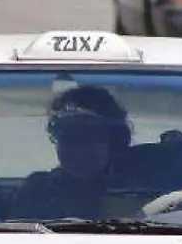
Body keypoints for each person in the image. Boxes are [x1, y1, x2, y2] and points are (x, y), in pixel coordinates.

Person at [10, 86, 133, 220]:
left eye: (89, 137)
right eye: (68, 136)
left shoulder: (132, 192)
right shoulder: (38, 190)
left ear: (114, 141)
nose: (78, 148)